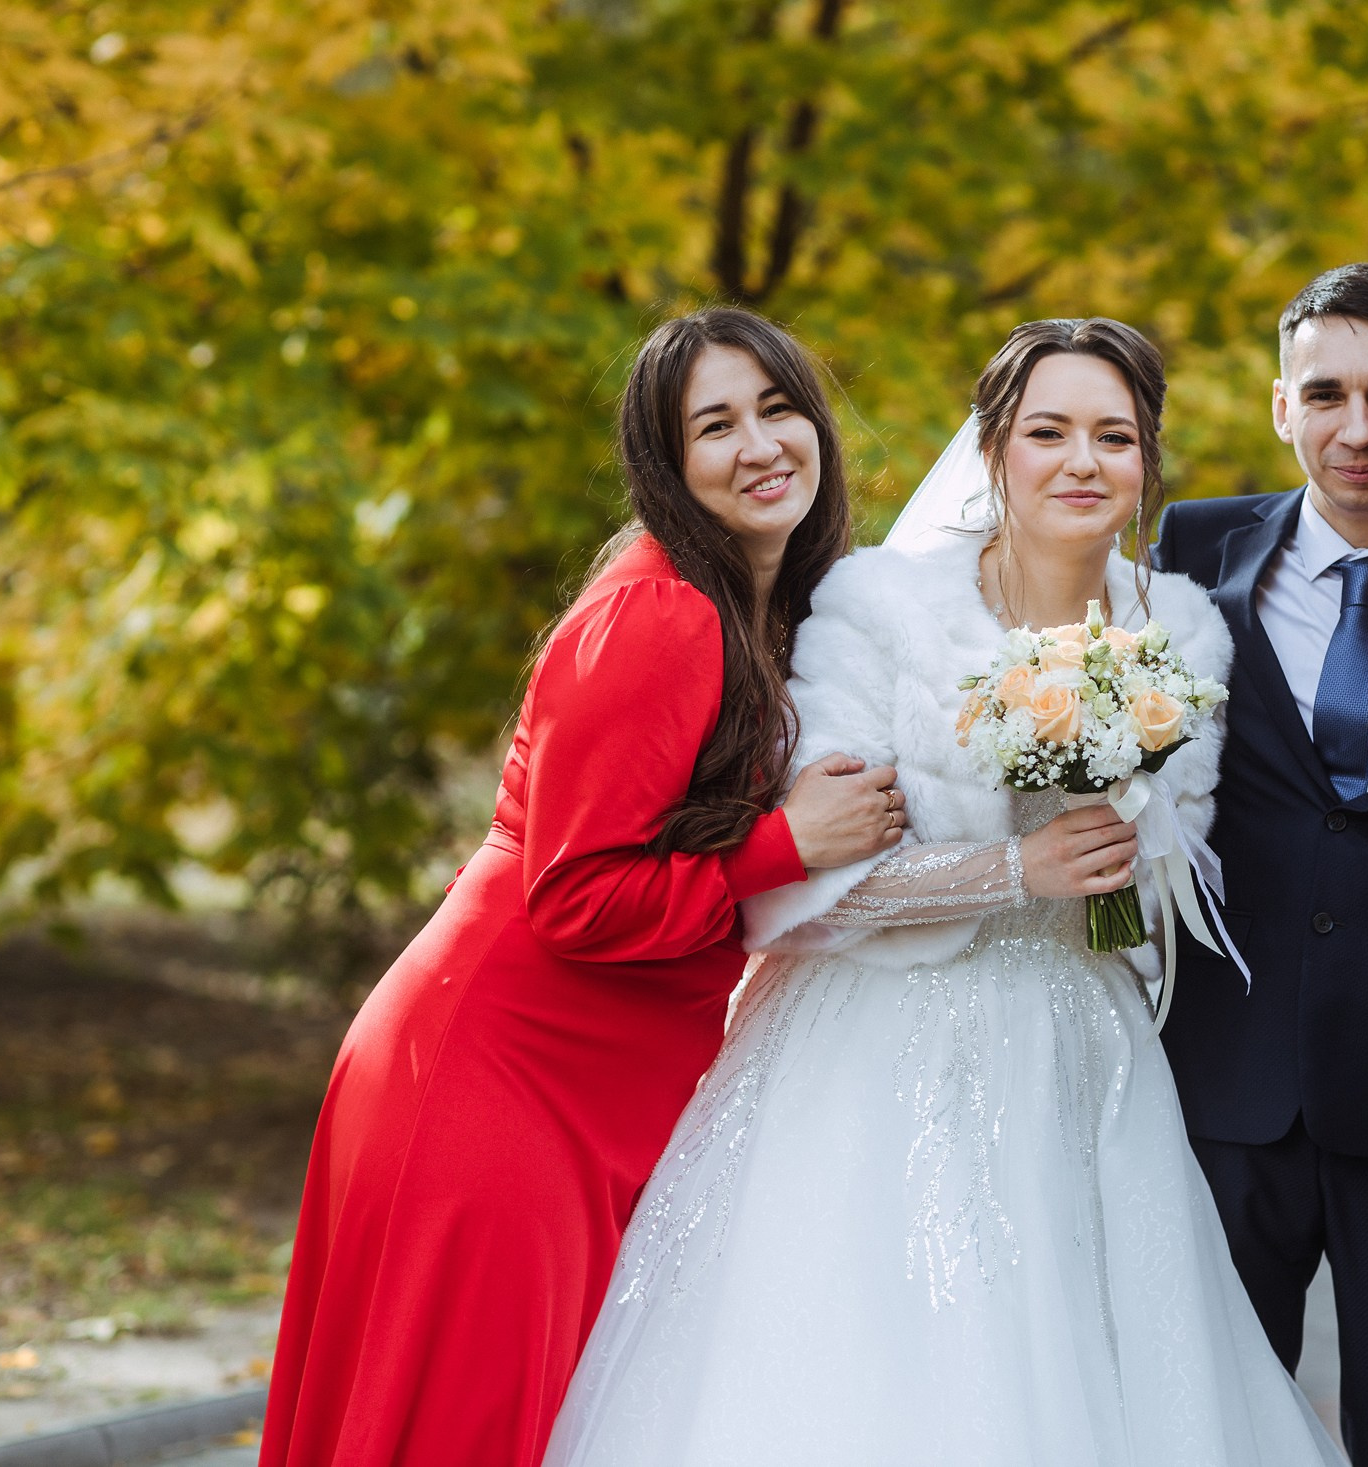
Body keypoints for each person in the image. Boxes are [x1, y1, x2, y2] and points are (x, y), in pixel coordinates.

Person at [545, 318, 1344, 1466]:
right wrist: (1010, 870)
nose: (1082, 462)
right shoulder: (879, 607)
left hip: (1083, 1047)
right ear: (992, 451)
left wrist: (1122, 845)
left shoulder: (1178, 629)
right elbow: (799, 899)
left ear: (1145, 464)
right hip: (873, 1049)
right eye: (1048, 432)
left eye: (1114, 438)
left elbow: (1164, 889)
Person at [260, 308, 904, 1467]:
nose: (759, 445)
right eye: (715, 425)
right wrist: (785, 845)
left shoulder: (759, 605)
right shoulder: (659, 614)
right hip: (495, 1079)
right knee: (465, 1429)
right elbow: (576, 900)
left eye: (777, 409)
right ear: (668, 462)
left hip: (579, 1085)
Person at [1152, 264, 1368, 1467]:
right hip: (1225, 1069)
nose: (1357, 429)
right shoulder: (1190, 551)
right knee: (1207, 1426)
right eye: (1326, 394)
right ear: (1279, 407)